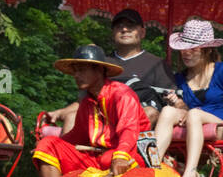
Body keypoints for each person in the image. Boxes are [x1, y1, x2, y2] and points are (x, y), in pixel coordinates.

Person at [32, 44, 151, 177]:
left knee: (108, 159)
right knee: (47, 145)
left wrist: (120, 156)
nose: (76, 76)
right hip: (98, 157)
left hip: (130, 154)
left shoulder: (122, 94)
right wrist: (46, 149)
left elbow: (129, 130)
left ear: (99, 70)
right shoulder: (87, 102)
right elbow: (77, 137)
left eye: (81, 70)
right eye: (75, 71)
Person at [154, 18, 223, 177]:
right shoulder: (179, 79)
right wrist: (178, 104)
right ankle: (153, 164)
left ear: (207, 49)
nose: (186, 53)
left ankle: (190, 174)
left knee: (196, 114)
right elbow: (186, 111)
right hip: (193, 122)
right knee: (167, 111)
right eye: (183, 49)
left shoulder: (222, 70)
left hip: (222, 125)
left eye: (193, 48)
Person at [47, 9, 175, 133]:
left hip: (139, 118)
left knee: (149, 112)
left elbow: (173, 100)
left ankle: (123, 151)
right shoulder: (101, 64)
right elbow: (85, 100)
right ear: (113, 33)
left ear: (142, 32)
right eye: (119, 26)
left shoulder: (157, 64)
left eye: (130, 25)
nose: (124, 29)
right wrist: (60, 112)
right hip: (102, 114)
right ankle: (68, 153)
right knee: (72, 116)